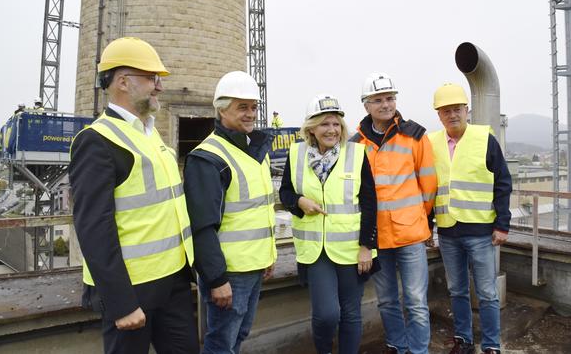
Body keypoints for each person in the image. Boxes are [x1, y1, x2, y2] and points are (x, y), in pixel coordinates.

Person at [69, 37, 197, 354]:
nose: (159, 87)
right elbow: (93, 229)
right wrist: (121, 303)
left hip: (174, 283)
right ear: (123, 82)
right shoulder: (97, 141)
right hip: (133, 291)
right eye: (152, 78)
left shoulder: (151, 135)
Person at [184, 70, 277, 354]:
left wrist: (268, 255)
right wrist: (216, 279)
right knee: (221, 342)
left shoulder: (253, 149)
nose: (250, 114)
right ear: (222, 109)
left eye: (253, 107)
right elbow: (202, 226)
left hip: (253, 265)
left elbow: (259, 211)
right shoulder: (208, 157)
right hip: (229, 272)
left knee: (238, 335)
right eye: (242, 107)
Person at [279, 94, 378, 354]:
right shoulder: (296, 154)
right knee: (326, 315)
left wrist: (367, 245)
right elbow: (285, 193)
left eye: (336, 124)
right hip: (315, 251)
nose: (332, 130)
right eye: (324, 124)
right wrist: (299, 201)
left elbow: (369, 202)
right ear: (311, 127)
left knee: (351, 313)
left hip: (351, 249)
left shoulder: (356, 154)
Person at [350, 72, 437, 354]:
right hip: (376, 238)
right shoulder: (355, 144)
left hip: (410, 234)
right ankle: (397, 347)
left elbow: (429, 185)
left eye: (390, 98)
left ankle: (419, 351)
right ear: (366, 105)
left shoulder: (415, 135)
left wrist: (417, 219)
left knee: (415, 300)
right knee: (386, 300)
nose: (386, 105)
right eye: (378, 100)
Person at [428, 83, 512, 354]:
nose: (452, 115)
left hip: (480, 232)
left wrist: (502, 224)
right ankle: (463, 341)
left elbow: (502, 182)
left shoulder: (484, 139)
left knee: (487, 293)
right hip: (448, 231)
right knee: (457, 291)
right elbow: (428, 188)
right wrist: (428, 226)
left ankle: (490, 346)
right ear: (439, 115)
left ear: (467, 110)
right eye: (445, 111)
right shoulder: (431, 143)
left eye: (457, 109)